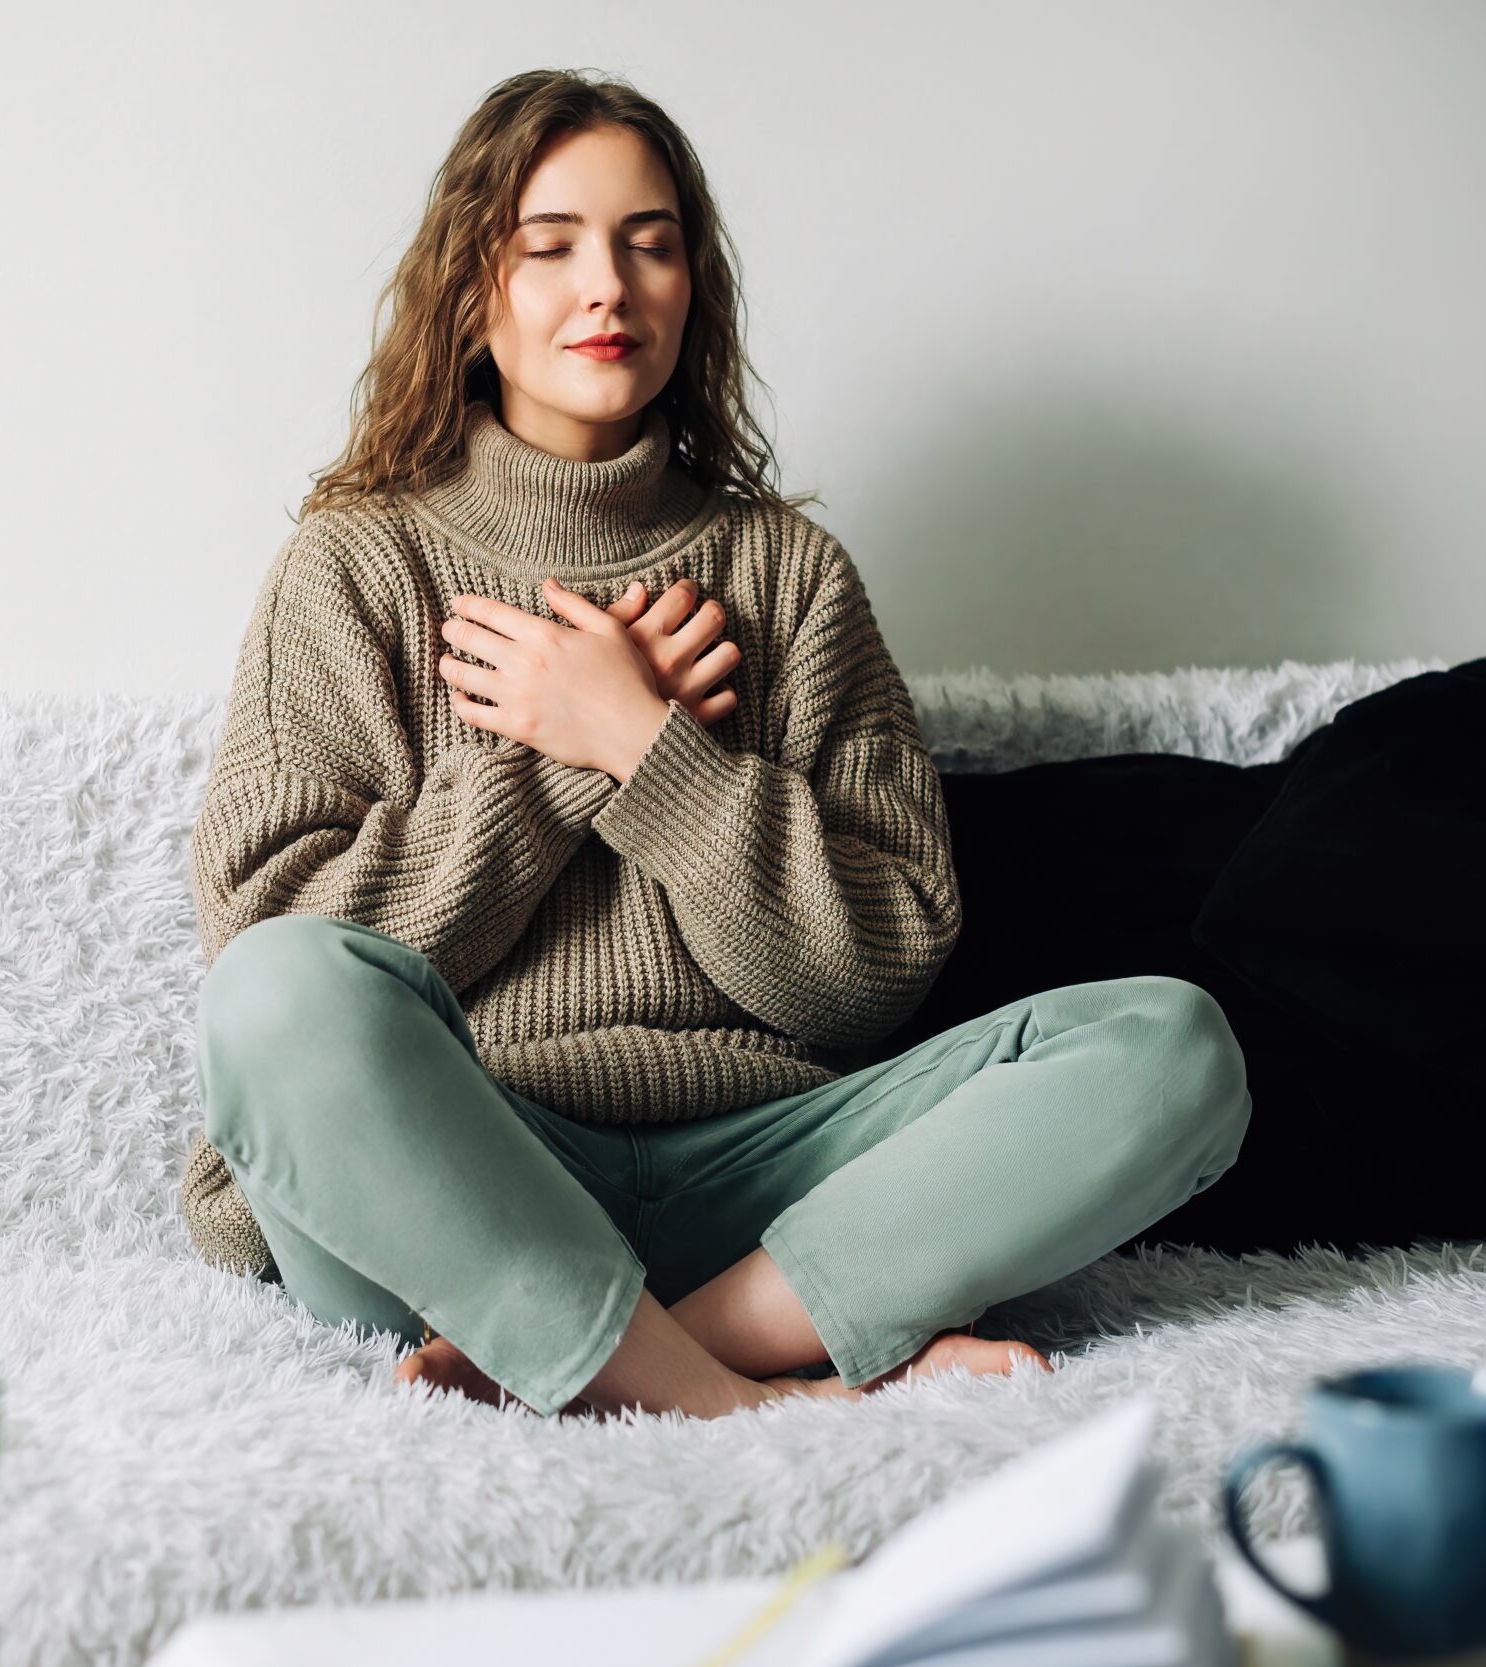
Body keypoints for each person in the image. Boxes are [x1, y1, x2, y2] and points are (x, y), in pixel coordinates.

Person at [185, 70, 1251, 1421]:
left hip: (782, 1189)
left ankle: (649, 1355)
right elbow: (277, 941)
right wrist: (554, 759)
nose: (609, 286)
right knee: (270, 995)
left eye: (651, 240)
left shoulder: (790, 575)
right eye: (550, 241)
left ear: (695, 285)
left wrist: (652, 748)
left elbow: (868, 976)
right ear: (472, 286)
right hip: (467, 1191)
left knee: (1178, 1049)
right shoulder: (355, 564)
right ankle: (750, 1396)